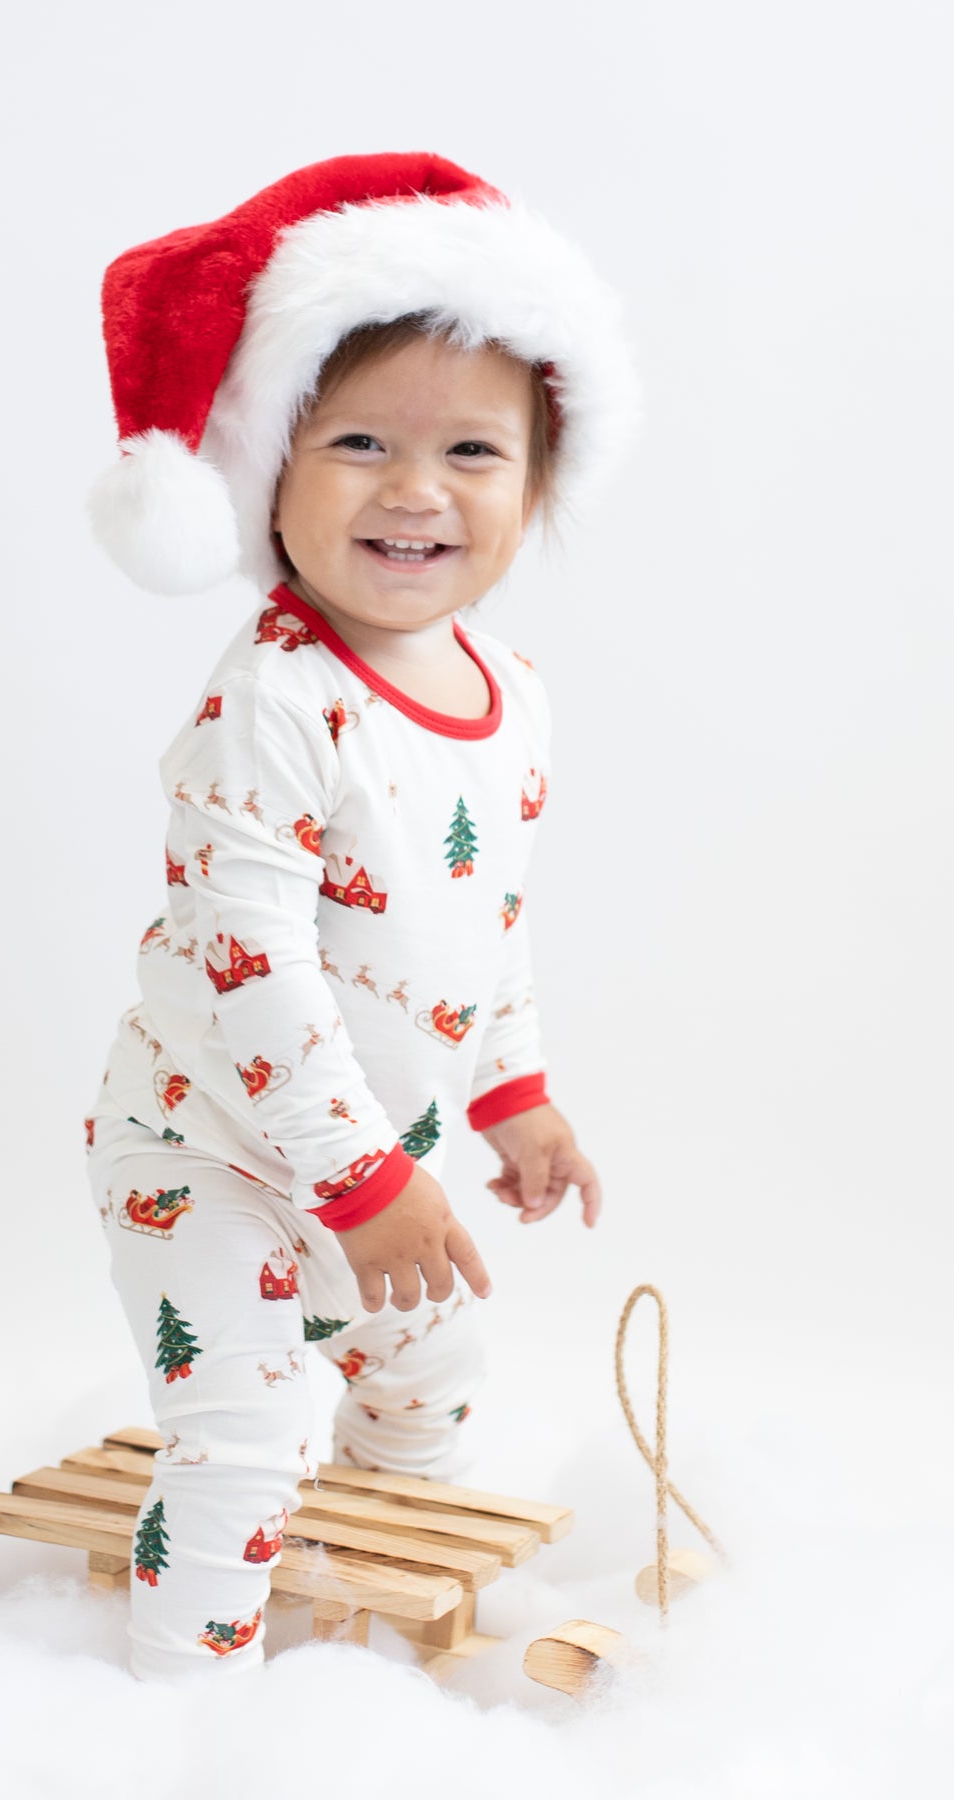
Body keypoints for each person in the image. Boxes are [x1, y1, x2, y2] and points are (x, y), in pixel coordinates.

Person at [78, 152, 641, 1681]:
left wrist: (514, 1093)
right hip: (207, 1156)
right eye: (360, 443)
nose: (416, 488)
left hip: (378, 1161)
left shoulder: (511, 696)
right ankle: (181, 1714)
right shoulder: (272, 705)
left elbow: (484, 920)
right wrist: (356, 1180)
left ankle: (372, 1640)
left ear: (535, 486)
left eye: (472, 450)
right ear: (269, 473)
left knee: (431, 1373)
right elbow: (249, 968)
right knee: (246, 1430)